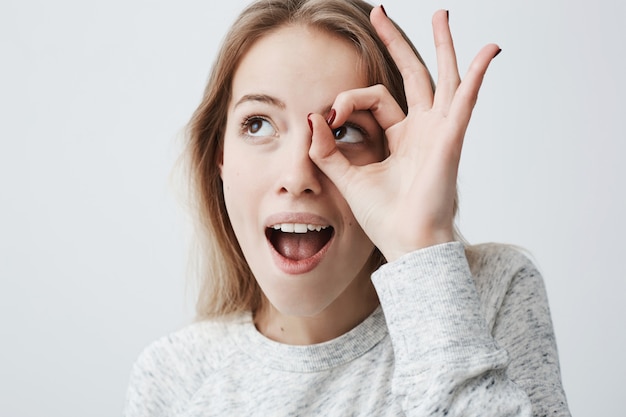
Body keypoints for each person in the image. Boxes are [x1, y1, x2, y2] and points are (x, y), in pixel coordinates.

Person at [124, 1, 570, 415]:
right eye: (257, 123)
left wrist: (422, 251)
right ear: (218, 156)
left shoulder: (491, 294)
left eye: (345, 132)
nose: (298, 175)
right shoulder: (174, 378)